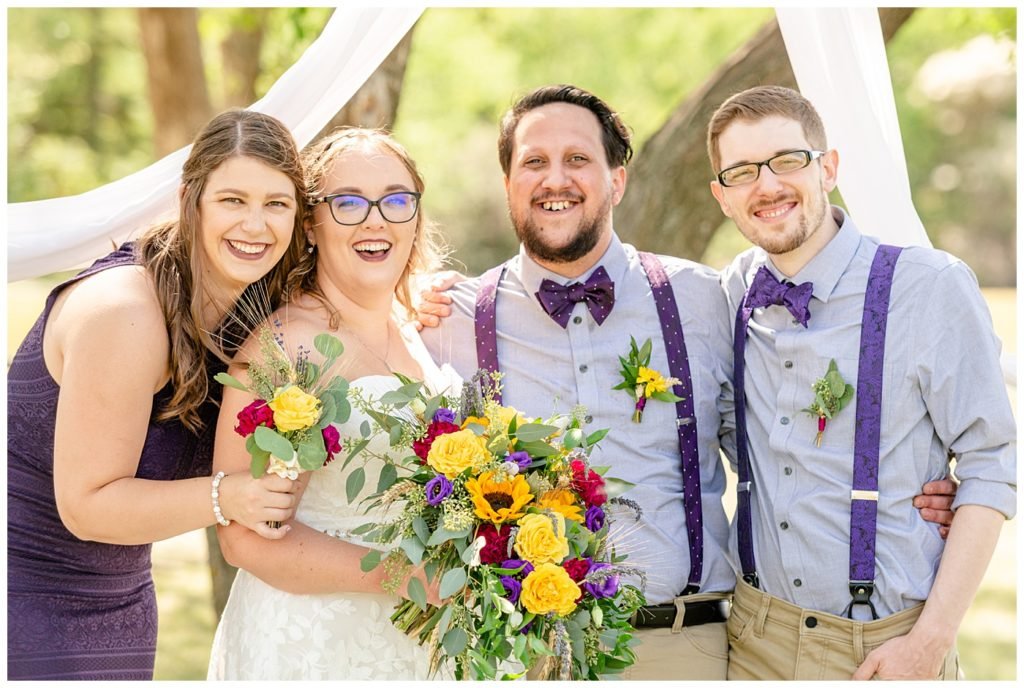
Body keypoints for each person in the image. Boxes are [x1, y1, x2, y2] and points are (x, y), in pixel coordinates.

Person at [415, 83, 962, 680]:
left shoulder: (705, 298)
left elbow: (779, 438)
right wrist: (402, 296)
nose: (556, 180)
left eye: (578, 159)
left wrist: (917, 488)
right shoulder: (451, 318)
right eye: (534, 162)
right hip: (517, 651)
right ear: (508, 184)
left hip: (684, 646)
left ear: (617, 179)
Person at [709, 85, 1016, 680]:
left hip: (887, 645)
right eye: (742, 171)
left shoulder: (930, 287)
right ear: (722, 197)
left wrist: (929, 642)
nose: (767, 186)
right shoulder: (727, 294)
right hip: (754, 638)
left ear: (828, 168)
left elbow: (991, 462)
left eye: (787, 160)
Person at [7, 109, 308, 680]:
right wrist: (232, 496)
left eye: (277, 204)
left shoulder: (252, 310)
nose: (256, 225)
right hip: (26, 598)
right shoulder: (125, 312)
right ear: (190, 199)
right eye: (232, 200)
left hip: (124, 606)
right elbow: (86, 506)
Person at [206, 128, 456, 680]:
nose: (376, 220)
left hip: (422, 641)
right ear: (311, 225)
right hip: (314, 643)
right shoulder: (283, 349)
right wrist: (403, 576)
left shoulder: (417, 326)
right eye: (347, 203)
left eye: (396, 200)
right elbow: (243, 539)